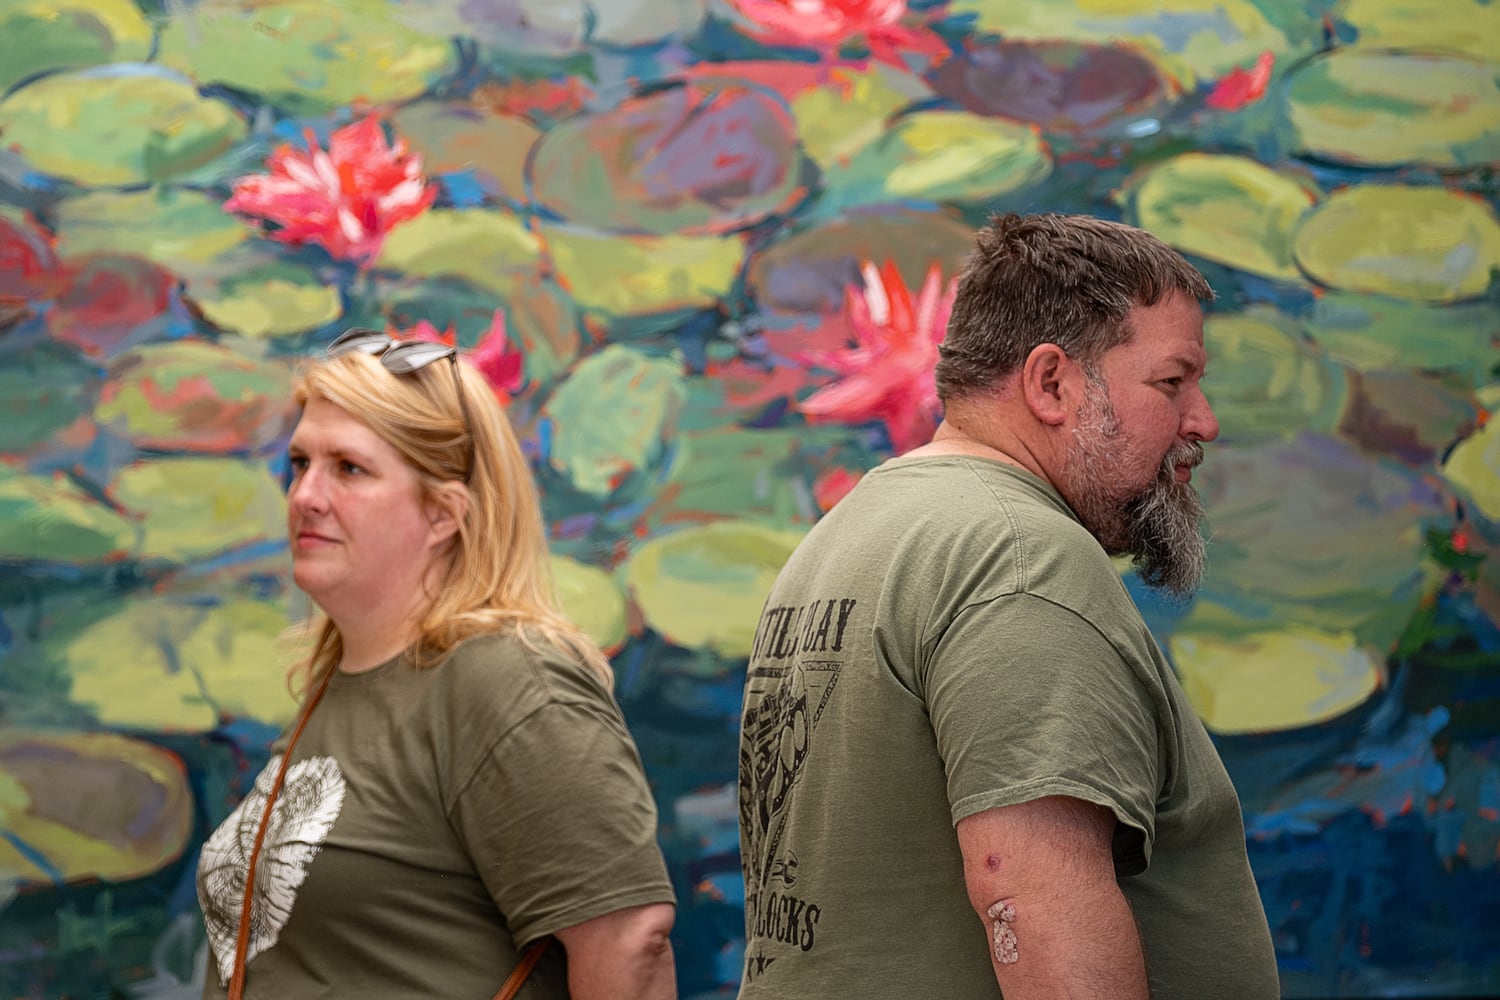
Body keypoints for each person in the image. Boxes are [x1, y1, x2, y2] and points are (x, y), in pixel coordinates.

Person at [736, 213, 1279, 998]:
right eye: (1172, 381)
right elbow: (1028, 899)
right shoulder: (1022, 557)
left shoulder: (845, 534)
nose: (1204, 421)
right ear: (1052, 382)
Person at [197, 328, 677, 1000]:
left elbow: (631, 941)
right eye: (301, 463)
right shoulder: (349, 673)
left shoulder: (508, 678)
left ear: (444, 514)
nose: (305, 495)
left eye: (349, 469)